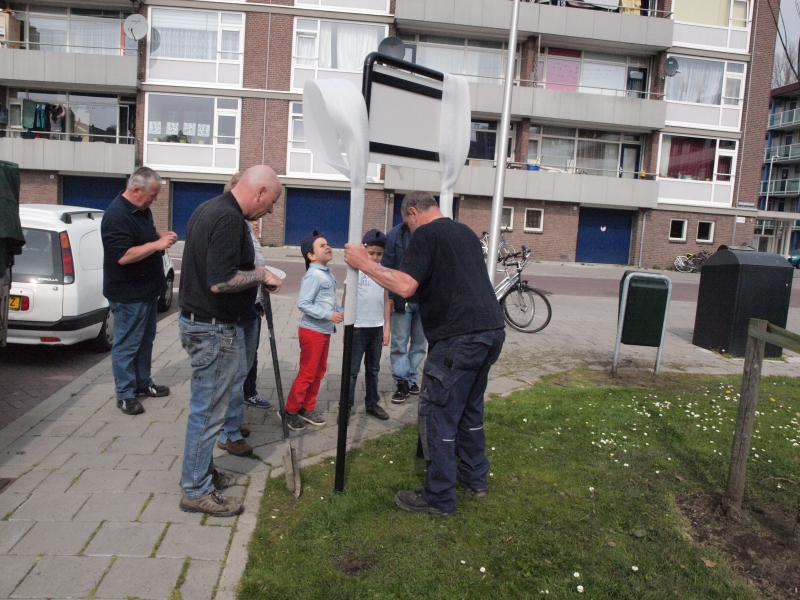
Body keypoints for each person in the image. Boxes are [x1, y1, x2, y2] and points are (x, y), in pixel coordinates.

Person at [344, 191, 505, 517]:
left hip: (458, 339)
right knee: (469, 411)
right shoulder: (465, 232)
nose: (409, 231)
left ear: (414, 213)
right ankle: (474, 477)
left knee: (437, 415)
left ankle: (439, 496)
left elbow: (405, 286)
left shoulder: (426, 233)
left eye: (407, 224)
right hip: (491, 331)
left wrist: (365, 263)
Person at [178, 165, 283, 517]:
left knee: (207, 408)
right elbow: (220, 282)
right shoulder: (228, 219)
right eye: (271, 202)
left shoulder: (208, 208)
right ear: (259, 192)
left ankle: (202, 474)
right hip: (213, 328)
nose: (271, 211)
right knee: (208, 413)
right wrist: (261, 274)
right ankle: (196, 490)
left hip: (201, 323)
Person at [101, 167, 177, 416]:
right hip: (128, 294)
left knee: (145, 341)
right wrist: (157, 244)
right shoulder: (116, 216)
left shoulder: (141, 210)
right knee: (127, 344)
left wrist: (159, 235)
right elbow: (124, 255)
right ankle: (125, 394)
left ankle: (143, 383)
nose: (154, 200)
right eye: (152, 196)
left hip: (147, 291)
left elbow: (144, 233)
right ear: (136, 190)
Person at [215, 173, 271, 459]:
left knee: (244, 369)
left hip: (252, 307)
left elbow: (253, 266)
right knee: (235, 375)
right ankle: (228, 433)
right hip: (236, 312)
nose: (268, 210)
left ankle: (232, 422)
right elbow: (226, 275)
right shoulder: (231, 223)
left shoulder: (247, 226)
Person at [283, 231, 343, 431]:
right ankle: (290, 411)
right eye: (321, 246)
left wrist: (342, 311)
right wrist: (328, 315)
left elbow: (330, 302)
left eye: (327, 243)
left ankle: (307, 408)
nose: (328, 247)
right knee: (308, 373)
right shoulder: (314, 276)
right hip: (312, 332)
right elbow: (303, 303)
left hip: (324, 331)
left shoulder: (327, 273)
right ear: (311, 255)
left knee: (319, 372)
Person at [342, 229, 391, 423]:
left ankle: (372, 403)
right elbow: (347, 297)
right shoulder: (355, 271)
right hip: (358, 328)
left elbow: (386, 300)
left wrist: (387, 328)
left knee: (373, 369)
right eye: (371, 253)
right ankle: (346, 406)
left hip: (376, 328)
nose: (376, 257)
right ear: (364, 251)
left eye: (379, 254)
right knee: (352, 370)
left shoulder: (383, 272)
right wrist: (347, 327)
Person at [382, 216, 426, 402]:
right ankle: (402, 382)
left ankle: (410, 377)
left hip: (425, 300)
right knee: (399, 343)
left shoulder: (429, 234)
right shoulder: (394, 235)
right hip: (401, 298)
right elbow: (387, 268)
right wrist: (391, 296)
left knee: (419, 344)